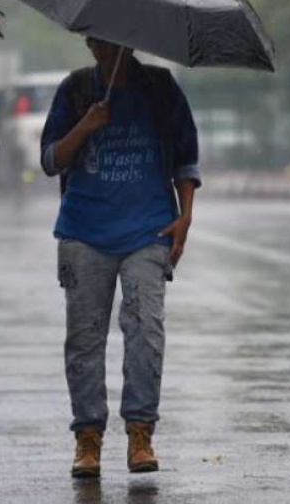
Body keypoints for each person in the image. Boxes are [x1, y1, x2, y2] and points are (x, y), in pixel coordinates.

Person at [39, 38, 200, 479]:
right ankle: (87, 439)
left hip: (148, 231)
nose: (102, 47)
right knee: (85, 340)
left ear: (131, 38)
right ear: (88, 40)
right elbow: (51, 160)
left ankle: (140, 432)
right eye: (95, 39)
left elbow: (187, 158)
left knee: (146, 330)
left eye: (112, 39)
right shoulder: (74, 89)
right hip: (83, 234)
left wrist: (185, 217)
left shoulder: (161, 88)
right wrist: (86, 125)